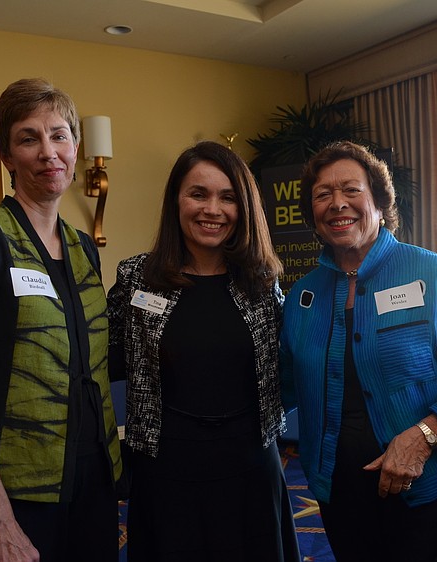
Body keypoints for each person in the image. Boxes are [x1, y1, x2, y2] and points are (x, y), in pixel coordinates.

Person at [279, 141, 437, 561]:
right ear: (312, 214)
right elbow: (279, 388)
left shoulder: (433, 275)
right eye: (322, 195)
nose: (337, 204)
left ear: (380, 202)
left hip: (430, 490)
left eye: (351, 190)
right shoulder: (302, 296)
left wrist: (424, 437)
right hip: (338, 491)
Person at [0, 78, 122, 562]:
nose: (48, 151)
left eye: (59, 135)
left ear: (76, 147)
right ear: (6, 156)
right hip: (9, 490)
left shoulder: (83, 247)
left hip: (90, 480)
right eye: (28, 138)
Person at [107, 140, 300, 562]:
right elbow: (105, 359)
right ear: (176, 200)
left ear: (243, 208)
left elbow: (292, 363)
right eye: (198, 194)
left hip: (250, 462)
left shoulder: (263, 283)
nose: (212, 209)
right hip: (165, 466)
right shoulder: (137, 277)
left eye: (227, 197)